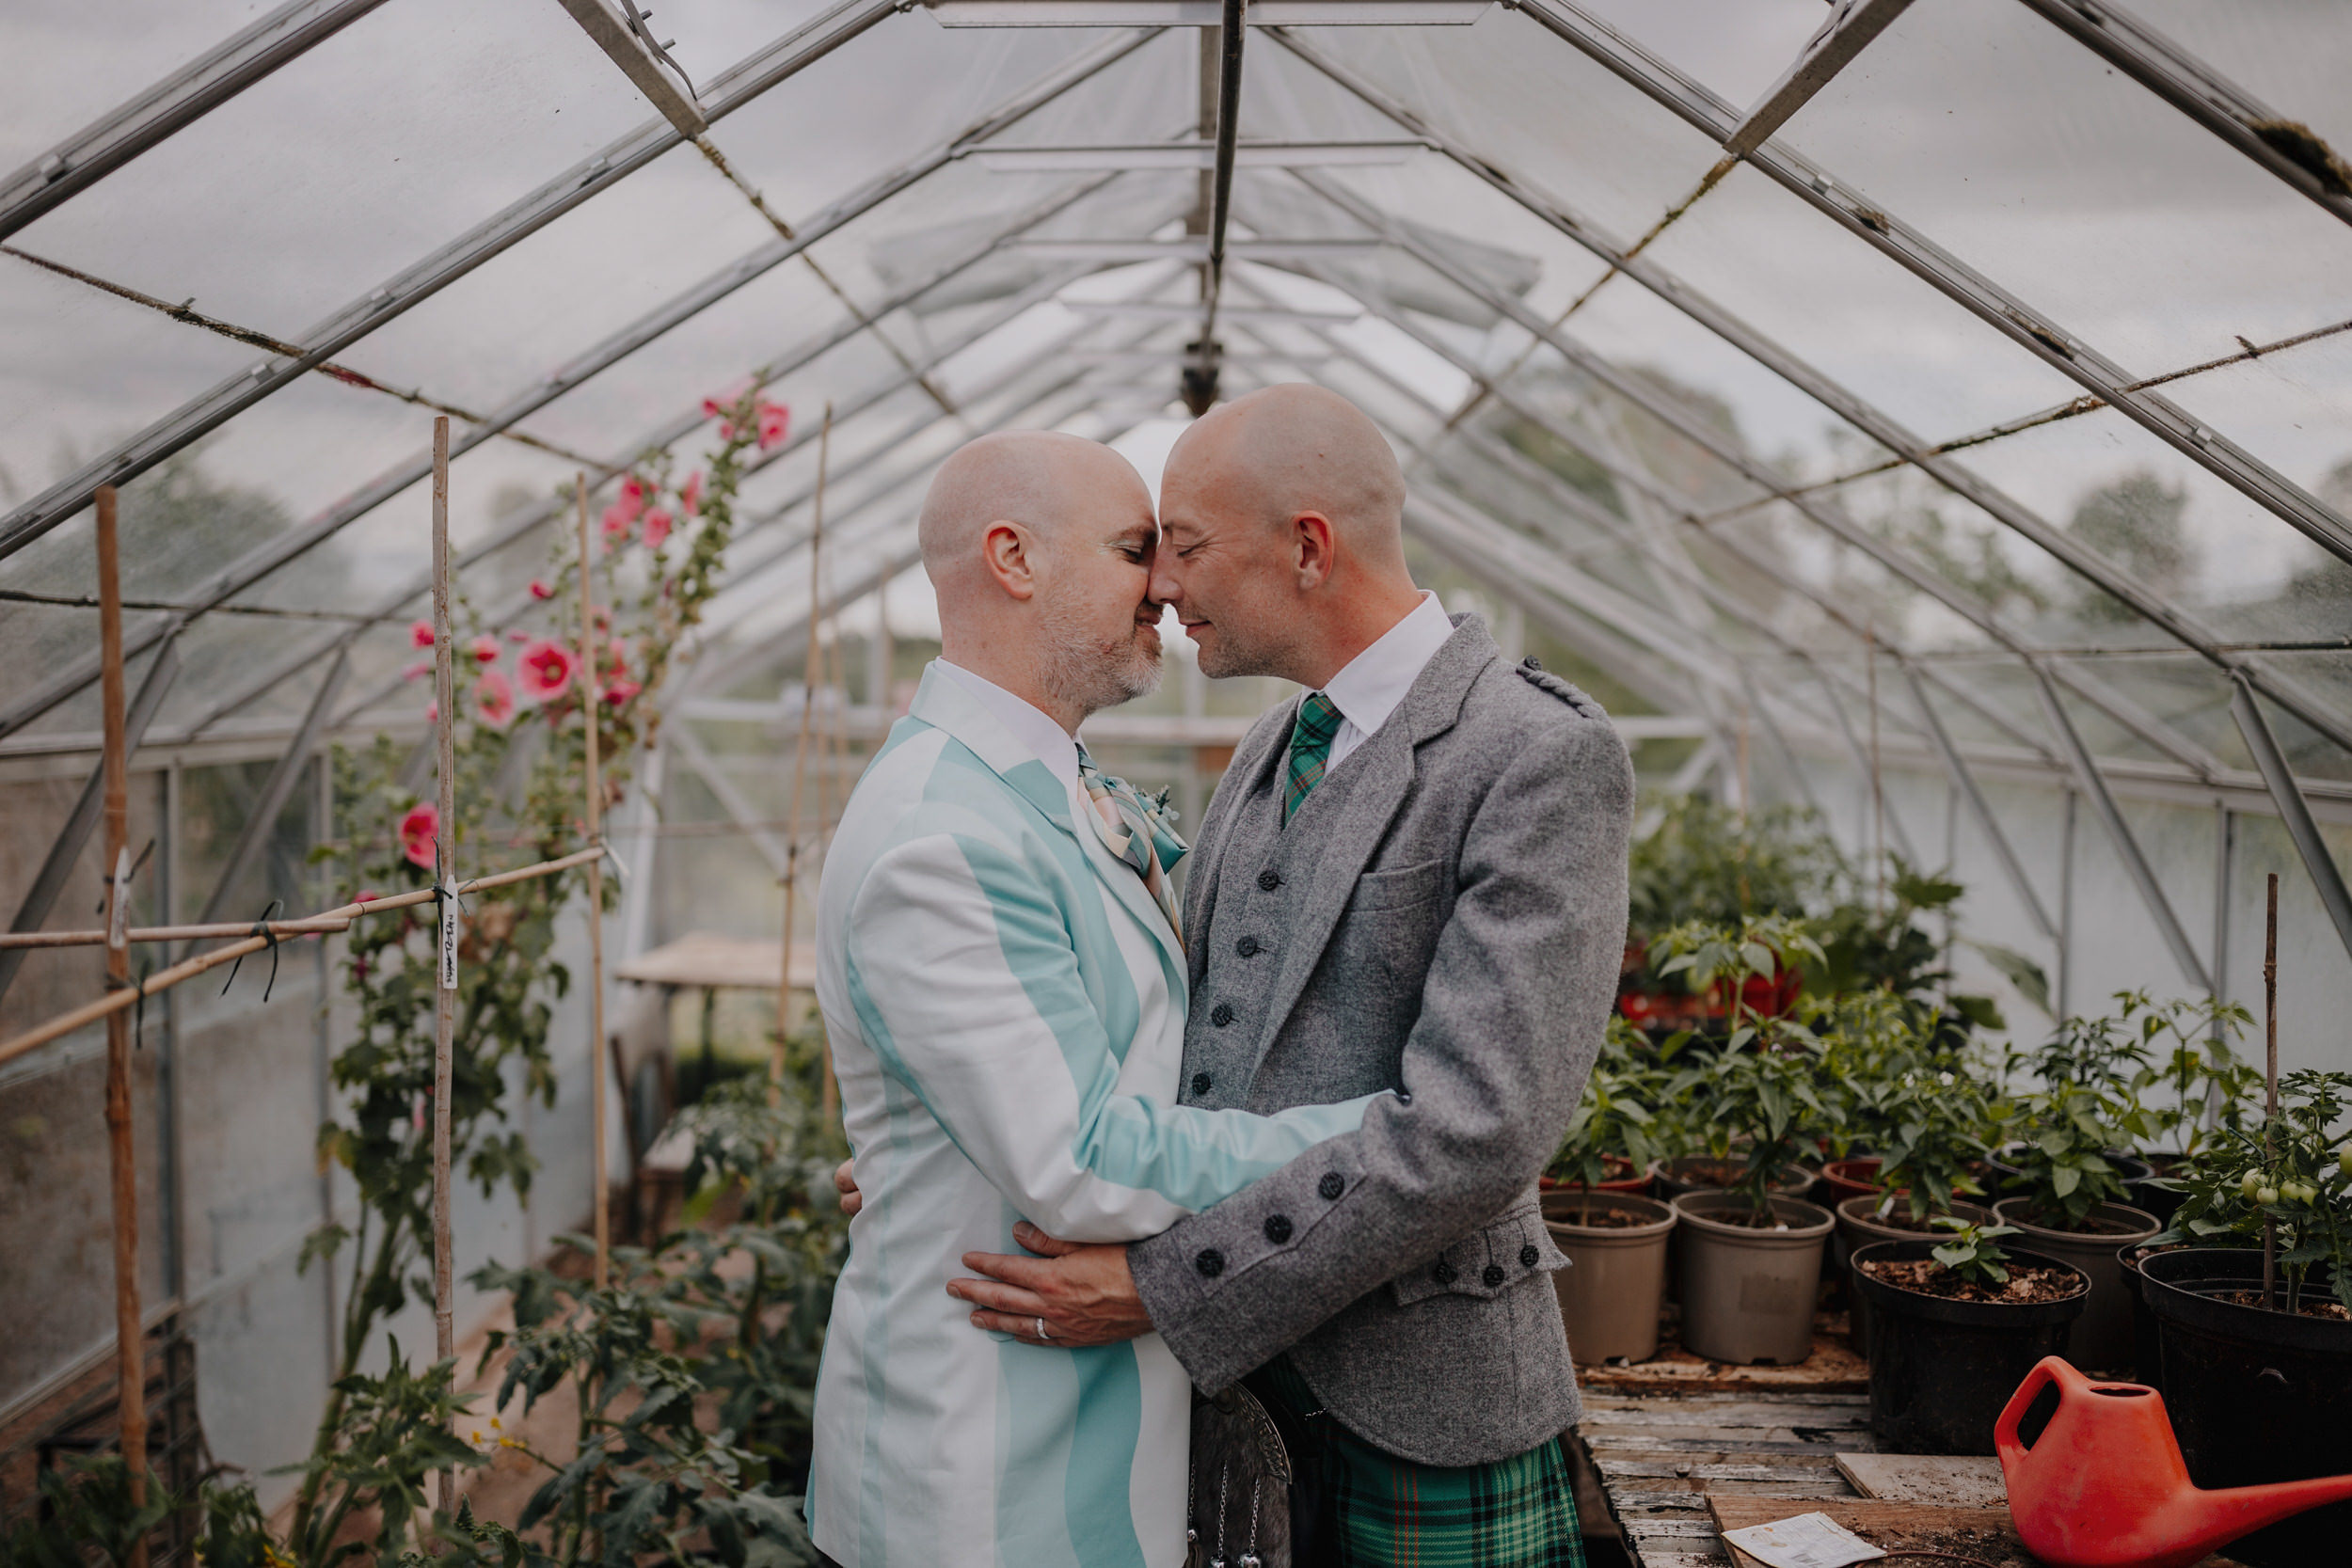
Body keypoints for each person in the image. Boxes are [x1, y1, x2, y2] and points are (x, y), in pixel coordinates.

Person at [946, 385, 1635, 1566]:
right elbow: (1185, 1034)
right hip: (1238, 1401)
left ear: (1308, 547)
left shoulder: (1536, 753)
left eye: (1190, 544)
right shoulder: (1275, 742)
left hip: (1427, 1407)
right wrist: (972, 1130)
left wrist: (1171, 1286)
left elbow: (1477, 1129)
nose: (1160, 582)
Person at [804, 428, 1390, 1568]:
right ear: (1013, 559)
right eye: (1135, 550)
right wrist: (1381, 1136)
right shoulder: (942, 835)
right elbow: (1080, 1158)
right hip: (985, 1494)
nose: (1167, 588)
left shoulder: (1036, 788)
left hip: (1086, 1463)